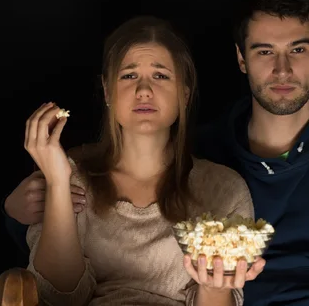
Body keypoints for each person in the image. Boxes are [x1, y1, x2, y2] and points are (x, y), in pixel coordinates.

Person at [3, 0, 309, 305]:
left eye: (298, 50)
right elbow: (56, 251)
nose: (282, 71)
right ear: (241, 60)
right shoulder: (205, 151)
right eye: (265, 52)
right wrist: (20, 210)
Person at [13, 16, 264, 306]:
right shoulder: (70, 178)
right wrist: (57, 181)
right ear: (108, 92)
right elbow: (56, 297)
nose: (144, 90)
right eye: (129, 76)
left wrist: (215, 286)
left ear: (184, 93)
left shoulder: (224, 189)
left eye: (160, 76)